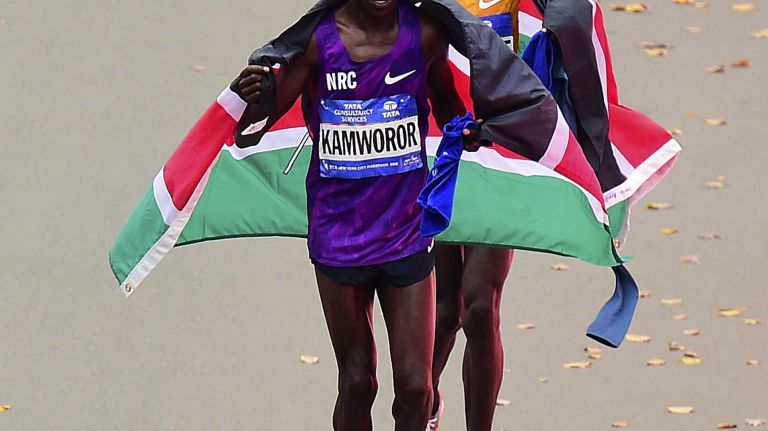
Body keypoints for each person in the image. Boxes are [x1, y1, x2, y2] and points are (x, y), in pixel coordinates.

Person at [237, 1, 481, 429]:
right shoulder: (318, 42)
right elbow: (249, 130)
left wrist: (468, 128)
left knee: (416, 388)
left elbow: (446, 104)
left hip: (405, 229)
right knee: (356, 382)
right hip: (338, 237)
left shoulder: (424, 36)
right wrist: (254, 99)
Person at [428, 1, 519, 430]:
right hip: (443, 148)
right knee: (446, 308)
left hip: (501, 151)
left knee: (480, 304)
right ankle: (422, 406)